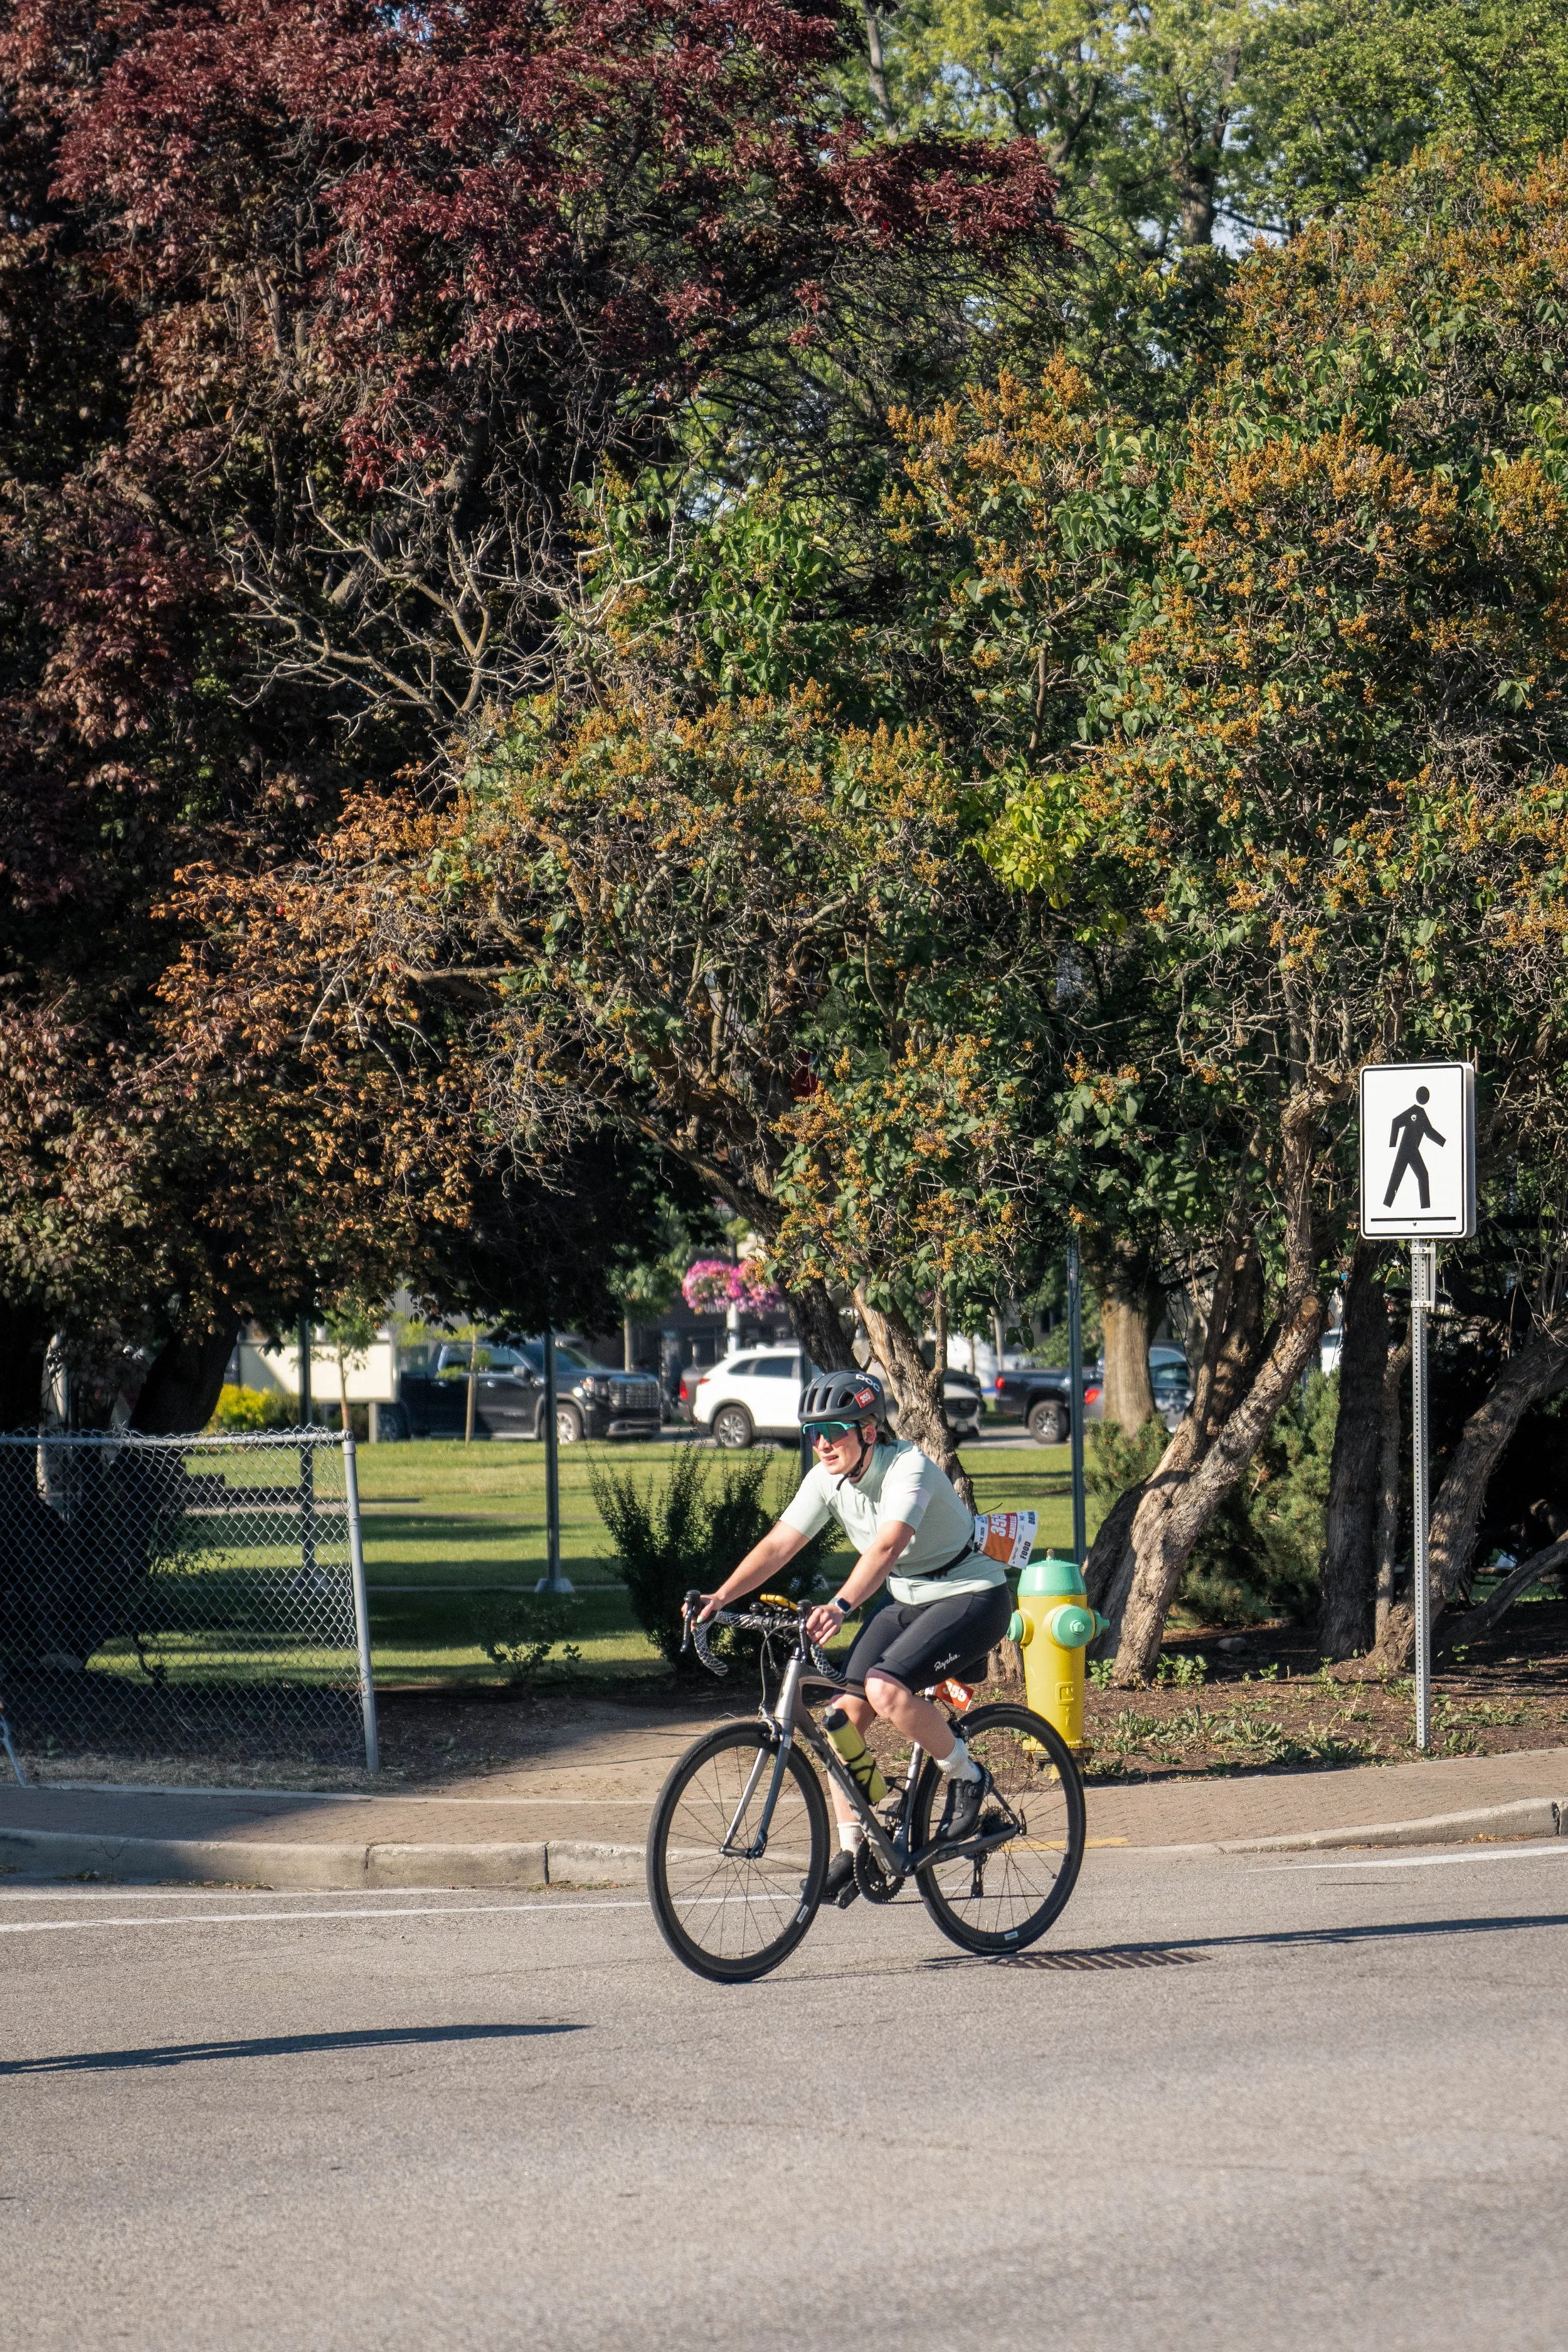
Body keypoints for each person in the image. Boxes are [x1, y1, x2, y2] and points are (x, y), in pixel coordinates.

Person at [696, 1369, 1012, 1908]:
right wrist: (719, 1598)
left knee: (886, 1691)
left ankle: (967, 1775)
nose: (821, 1443)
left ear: (868, 1430)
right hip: (908, 1601)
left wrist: (842, 1605)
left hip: (972, 1596)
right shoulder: (826, 1479)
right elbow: (779, 1545)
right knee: (841, 1719)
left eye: (834, 1430)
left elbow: (887, 1547)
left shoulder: (907, 1468)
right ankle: (853, 1850)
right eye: (812, 1433)